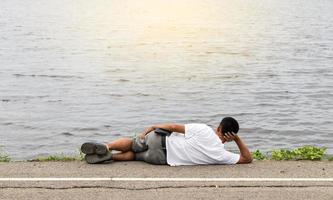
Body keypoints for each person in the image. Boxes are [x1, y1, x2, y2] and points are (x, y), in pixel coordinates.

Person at [81, 117, 252, 166]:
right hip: (161, 160)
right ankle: (109, 157)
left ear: (218, 128)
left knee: (134, 143)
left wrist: (153, 126)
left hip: (161, 140)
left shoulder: (205, 130)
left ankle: (107, 146)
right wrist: (237, 140)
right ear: (230, 136)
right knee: (134, 156)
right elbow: (247, 159)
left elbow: (174, 126)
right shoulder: (221, 155)